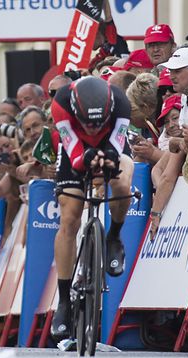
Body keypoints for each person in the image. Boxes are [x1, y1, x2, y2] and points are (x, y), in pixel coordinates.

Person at [49, 77, 133, 339]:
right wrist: (84, 157)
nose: (94, 128)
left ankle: (114, 236)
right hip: (75, 145)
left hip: (112, 144)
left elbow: (118, 142)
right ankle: (63, 301)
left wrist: (108, 156)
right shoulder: (60, 102)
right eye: (88, 122)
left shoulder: (121, 102)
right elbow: (71, 146)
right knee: (70, 215)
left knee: (122, 183)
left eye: (98, 123)